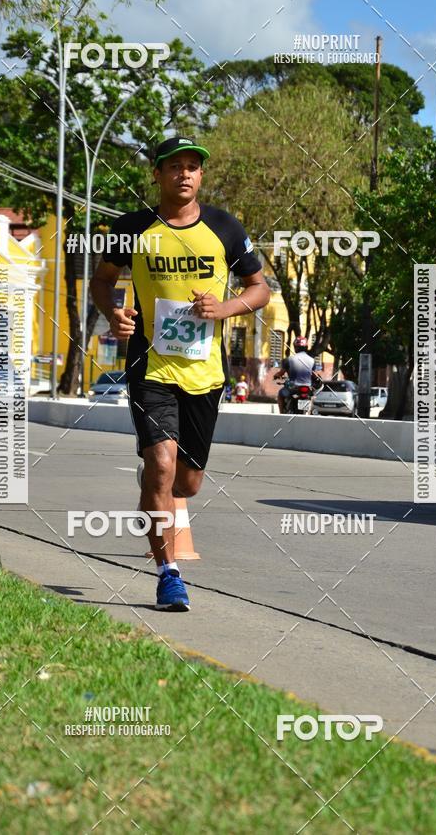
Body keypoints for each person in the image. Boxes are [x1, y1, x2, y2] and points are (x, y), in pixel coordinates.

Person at [90, 136, 270, 611]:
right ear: (157, 174)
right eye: (175, 167)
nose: (185, 174)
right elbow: (102, 280)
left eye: (193, 167)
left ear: (201, 176)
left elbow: (259, 289)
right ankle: (168, 574)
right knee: (163, 468)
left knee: (186, 483)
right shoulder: (133, 227)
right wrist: (113, 313)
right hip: (150, 366)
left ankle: (154, 481)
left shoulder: (224, 228)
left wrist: (224, 307)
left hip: (206, 373)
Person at [274, 336, 317, 413]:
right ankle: (309, 412)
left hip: (293, 387)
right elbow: (314, 374)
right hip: (307, 388)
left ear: (295, 347)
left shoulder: (289, 360)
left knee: (280, 394)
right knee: (312, 397)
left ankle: (281, 414)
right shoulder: (312, 360)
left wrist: (276, 376)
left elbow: (281, 373)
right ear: (306, 347)